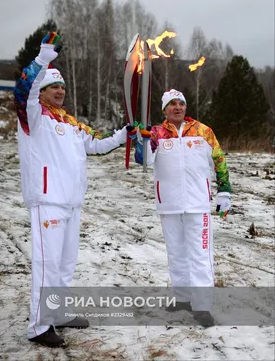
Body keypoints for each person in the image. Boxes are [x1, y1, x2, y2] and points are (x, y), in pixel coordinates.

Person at [14, 32, 128, 347]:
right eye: (54, 86)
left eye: (63, 86)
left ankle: (59, 312)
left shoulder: (71, 123)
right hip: (48, 202)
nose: (61, 90)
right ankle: (38, 326)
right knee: (47, 265)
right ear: (43, 91)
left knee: (65, 265)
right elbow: (24, 90)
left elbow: (97, 143)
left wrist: (122, 135)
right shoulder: (32, 118)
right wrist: (42, 60)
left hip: (72, 204)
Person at [135, 89, 231, 327]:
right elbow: (143, 161)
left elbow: (219, 160)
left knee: (200, 256)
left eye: (181, 103)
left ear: (185, 107)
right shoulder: (156, 132)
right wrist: (143, 139)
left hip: (198, 204)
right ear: (164, 109)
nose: (177, 107)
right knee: (176, 254)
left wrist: (224, 190)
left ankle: (202, 306)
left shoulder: (203, 131)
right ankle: (182, 298)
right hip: (169, 204)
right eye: (172, 104)